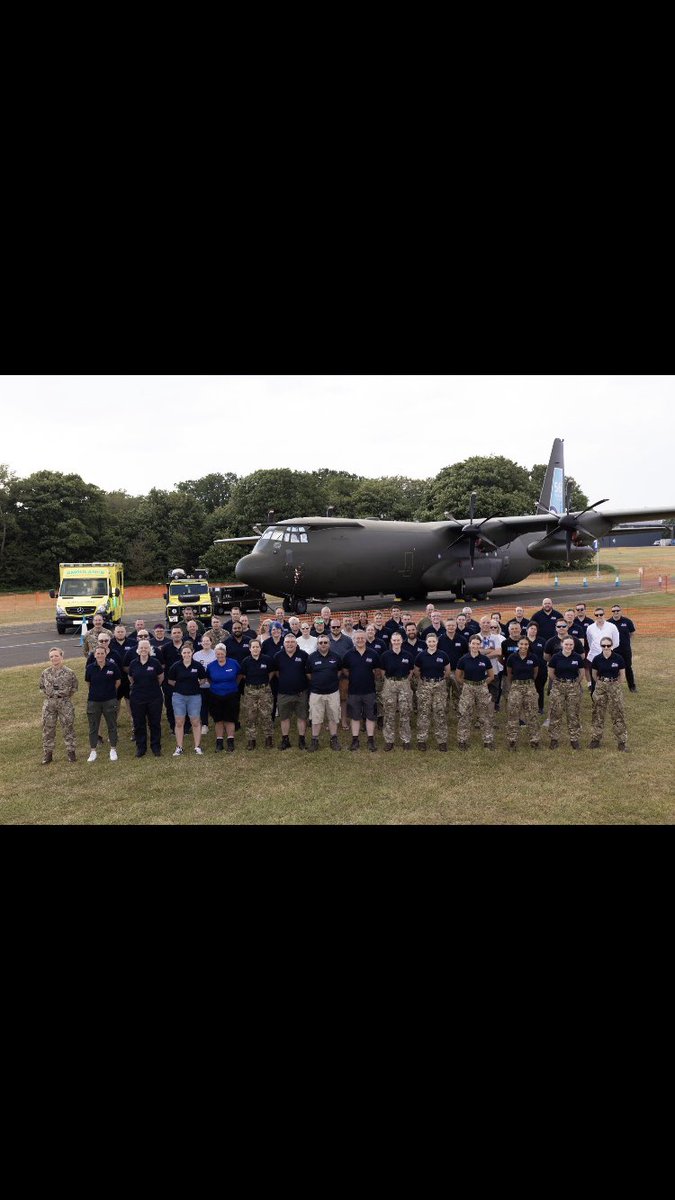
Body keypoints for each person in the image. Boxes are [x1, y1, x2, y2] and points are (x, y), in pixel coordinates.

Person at [342, 631, 381, 752]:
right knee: (355, 717)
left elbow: (377, 672)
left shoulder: (373, 654)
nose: (360, 640)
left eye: (362, 638)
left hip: (369, 691)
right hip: (354, 691)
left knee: (370, 716)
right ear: (353, 640)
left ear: (365, 639)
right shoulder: (348, 655)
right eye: (357, 638)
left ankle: (370, 740)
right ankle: (355, 740)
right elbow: (345, 670)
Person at [455, 636, 495, 750]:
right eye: (473, 643)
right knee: (465, 715)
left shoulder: (485, 659)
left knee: (484, 715)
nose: (475, 646)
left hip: (482, 688)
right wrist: (468, 684)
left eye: (478, 644)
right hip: (468, 688)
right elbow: (458, 677)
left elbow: (491, 676)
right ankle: (462, 740)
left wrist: (482, 684)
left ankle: (488, 740)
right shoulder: (463, 659)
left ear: (480, 645)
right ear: (469, 644)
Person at [40, 647, 78, 764]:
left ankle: (71, 753)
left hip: (65, 703)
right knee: (48, 729)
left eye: (56, 656)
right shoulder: (45, 673)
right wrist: (52, 696)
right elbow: (42, 687)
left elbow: (73, 688)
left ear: (62, 657)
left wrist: (62, 697)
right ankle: (48, 754)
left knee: (68, 727)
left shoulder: (69, 673)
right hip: (49, 704)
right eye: (51, 656)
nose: (54, 658)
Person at [168, 643, 208, 756]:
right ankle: (179, 747)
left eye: (188, 652)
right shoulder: (176, 666)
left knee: (195, 721)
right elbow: (170, 680)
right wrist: (180, 686)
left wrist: (195, 685)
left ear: (192, 653)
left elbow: (203, 679)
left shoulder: (197, 666)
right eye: (184, 652)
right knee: (179, 722)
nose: (186, 654)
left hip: (194, 696)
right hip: (179, 697)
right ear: (181, 653)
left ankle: (197, 746)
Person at [128, 634, 165, 757]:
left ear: (149, 649)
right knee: (139, 723)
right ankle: (141, 747)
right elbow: (131, 678)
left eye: (146, 647)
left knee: (154, 723)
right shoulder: (133, 663)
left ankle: (155, 747)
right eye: (141, 648)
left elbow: (160, 678)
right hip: (137, 698)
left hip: (154, 697)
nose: (144, 649)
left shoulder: (155, 663)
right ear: (138, 649)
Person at [414, 632, 451, 751]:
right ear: (426, 642)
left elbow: (448, 671)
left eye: (433, 641)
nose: (431, 643)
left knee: (440, 712)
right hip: (425, 685)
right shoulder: (421, 655)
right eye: (429, 641)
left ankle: (442, 741)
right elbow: (416, 671)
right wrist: (424, 682)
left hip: (439, 685)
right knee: (424, 713)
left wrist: (439, 681)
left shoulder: (443, 655)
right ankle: (422, 740)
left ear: (437, 642)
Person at [84, 644, 121, 762]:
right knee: (93, 727)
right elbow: (89, 683)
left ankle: (113, 749)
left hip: (110, 700)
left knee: (112, 725)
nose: (100, 655)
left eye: (102, 653)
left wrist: (108, 692)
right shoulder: (90, 668)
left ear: (106, 654)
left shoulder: (113, 666)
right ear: (94, 655)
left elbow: (118, 682)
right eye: (98, 653)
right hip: (94, 701)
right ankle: (93, 751)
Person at [379, 632, 416, 751]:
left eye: (398, 640)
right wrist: (391, 681)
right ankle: (389, 740)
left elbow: (411, 671)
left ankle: (406, 740)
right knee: (389, 713)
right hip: (390, 684)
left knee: (405, 712)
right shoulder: (385, 655)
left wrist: (403, 681)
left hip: (404, 684)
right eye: (394, 640)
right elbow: (382, 671)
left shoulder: (408, 655)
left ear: (401, 641)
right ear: (391, 641)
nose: (396, 642)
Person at [590, 638, 628, 750]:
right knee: (598, 712)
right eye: (603, 645)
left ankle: (621, 741)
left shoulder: (618, 658)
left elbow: (622, 675)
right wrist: (601, 683)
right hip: (601, 686)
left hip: (614, 686)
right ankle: (595, 739)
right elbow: (594, 674)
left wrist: (615, 685)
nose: (606, 647)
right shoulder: (597, 659)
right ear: (601, 646)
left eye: (608, 645)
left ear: (612, 645)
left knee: (618, 713)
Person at [307, 636, 343, 752]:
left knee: (333, 717)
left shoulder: (336, 657)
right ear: (317, 644)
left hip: (333, 693)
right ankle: (314, 740)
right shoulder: (311, 658)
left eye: (325, 642)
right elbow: (308, 674)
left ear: (329, 644)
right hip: (316, 693)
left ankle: (334, 739)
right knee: (316, 718)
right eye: (321, 642)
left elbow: (339, 672)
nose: (323, 644)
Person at [547, 637, 584, 750]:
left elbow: (581, 673)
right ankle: (554, 739)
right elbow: (551, 673)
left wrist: (574, 683)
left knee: (573, 714)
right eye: (566, 644)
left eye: (571, 645)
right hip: (558, 687)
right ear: (562, 644)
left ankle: (574, 739)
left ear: (573, 646)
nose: (569, 647)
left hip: (573, 687)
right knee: (556, 713)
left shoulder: (577, 657)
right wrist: (560, 682)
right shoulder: (555, 657)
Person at [274, 634, 310, 750]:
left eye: (292, 642)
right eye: (287, 642)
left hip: (301, 693)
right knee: (284, 717)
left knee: (302, 717)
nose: (290, 644)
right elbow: (276, 673)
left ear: (296, 643)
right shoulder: (278, 656)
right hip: (284, 693)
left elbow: (308, 672)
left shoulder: (303, 655)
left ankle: (302, 740)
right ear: (284, 643)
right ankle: (285, 740)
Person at [205, 642, 242, 752]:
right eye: (218, 654)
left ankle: (230, 741)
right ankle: (219, 742)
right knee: (218, 720)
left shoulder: (234, 663)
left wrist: (233, 685)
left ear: (225, 653)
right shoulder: (211, 666)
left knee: (230, 719)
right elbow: (209, 679)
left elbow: (239, 675)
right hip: (215, 696)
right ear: (215, 654)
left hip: (231, 695)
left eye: (222, 653)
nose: (220, 656)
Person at [240, 639, 276, 749]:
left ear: (260, 648)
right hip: (250, 691)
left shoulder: (267, 660)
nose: (255, 649)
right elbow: (243, 675)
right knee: (251, 716)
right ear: (250, 649)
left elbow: (272, 672)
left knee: (266, 715)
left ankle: (268, 739)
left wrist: (264, 682)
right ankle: (251, 740)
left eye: (257, 647)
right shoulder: (246, 661)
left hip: (264, 690)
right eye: (253, 647)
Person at [506, 638, 540, 750]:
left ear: (528, 645)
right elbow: (509, 674)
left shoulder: (533, 657)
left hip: (530, 686)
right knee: (513, 714)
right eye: (521, 644)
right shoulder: (512, 658)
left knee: (532, 714)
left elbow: (535, 673)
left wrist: (528, 683)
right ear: (518, 644)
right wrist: (516, 684)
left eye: (526, 644)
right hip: (516, 687)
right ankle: (512, 741)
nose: (524, 646)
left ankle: (534, 741)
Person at [326, 617, 354, 730]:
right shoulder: (325, 639)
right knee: (330, 701)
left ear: (341, 627)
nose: (336, 628)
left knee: (343, 699)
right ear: (330, 628)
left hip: (344, 675)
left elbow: (352, 656)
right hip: (329, 675)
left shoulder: (348, 640)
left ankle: (343, 721)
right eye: (333, 627)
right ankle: (331, 721)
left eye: (338, 626)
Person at [437, 617, 468, 714]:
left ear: (456, 626)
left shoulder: (462, 639)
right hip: (443, 672)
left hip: (457, 672)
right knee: (443, 693)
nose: (451, 627)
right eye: (449, 625)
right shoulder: (440, 639)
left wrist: (463, 670)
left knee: (458, 692)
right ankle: (444, 712)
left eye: (453, 625)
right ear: (445, 627)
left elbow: (466, 655)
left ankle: (458, 712)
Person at [585, 608, 620, 691]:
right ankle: (595, 700)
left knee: (607, 679)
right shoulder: (590, 628)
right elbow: (590, 642)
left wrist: (606, 650)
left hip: (607, 658)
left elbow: (616, 642)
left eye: (601, 614)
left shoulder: (612, 627)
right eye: (596, 615)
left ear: (604, 615)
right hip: (593, 658)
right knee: (594, 681)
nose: (599, 616)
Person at [161, 625, 185, 735]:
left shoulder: (187, 646)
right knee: (170, 705)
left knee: (185, 704)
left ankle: (186, 726)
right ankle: (172, 725)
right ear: (171, 635)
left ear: (182, 634)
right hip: (169, 682)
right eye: (174, 633)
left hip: (185, 681)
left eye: (178, 632)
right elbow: (162, 665)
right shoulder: (165, 648)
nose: (176, 634)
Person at [609, 605, 637, 691]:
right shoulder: (609, 623)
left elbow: (631, 633)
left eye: (617, 610)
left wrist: (625, 641)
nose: (616, 612)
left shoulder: (627, 621)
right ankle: (613, 687)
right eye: (613, 611)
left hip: (625, 650)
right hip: (614, 650)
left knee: (628, 667)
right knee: (614, 668)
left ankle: (632, 686)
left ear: (620, 611)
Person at [194, 633, 217, 735]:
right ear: (201, 643)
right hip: (201, 685)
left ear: (211, 642)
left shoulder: (215, 653)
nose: (206, 643)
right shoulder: (196, 655)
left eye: (208, 641)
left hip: (213, 684)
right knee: (203, 705)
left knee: (214, 704)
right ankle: (205, 725)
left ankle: (217, 722)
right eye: (204, 641)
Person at [526, 622, 547, 715]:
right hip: (527, 669)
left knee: (539, 688)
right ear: (527, 629)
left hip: (540, 669)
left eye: (535, 629)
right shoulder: (523, 640)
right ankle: (528, 707)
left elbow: (546, 654)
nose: (533, 630)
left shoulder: (542, 641)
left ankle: (540, 707)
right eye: (531, 628)